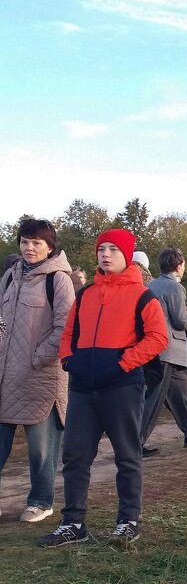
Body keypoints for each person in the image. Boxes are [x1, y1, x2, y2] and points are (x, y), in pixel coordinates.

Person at [37, 229, 168, 547]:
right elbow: (68, 334)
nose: (105, 254)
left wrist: (123, 362)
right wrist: (70, 360)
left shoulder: (142, 296)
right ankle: (73, 523)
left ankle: (127, 521)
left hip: (122, 387)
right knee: (75, 456)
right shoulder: (86, 295)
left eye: (113, 249)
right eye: (101, 249)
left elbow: (158, 338)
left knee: (127, 455)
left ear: (126, 255)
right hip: (82, 388)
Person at [0, 218, 76, 523]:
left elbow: (66, 327)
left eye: (36, 243)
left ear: (50, 246)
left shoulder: (58, 280)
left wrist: (37, 357)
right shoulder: (9, 276)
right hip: (5, 376)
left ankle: (41, 501)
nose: (29, 248)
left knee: (41, 449)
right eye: (24, 241)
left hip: (40, 376)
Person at [140, 248, 187, 456]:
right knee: (153, 400)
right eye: (184, 265)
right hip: (166, 351)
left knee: (183, 389)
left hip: (154, 349)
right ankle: (133, 443)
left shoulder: (151, 285)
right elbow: (180, 321)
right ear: (179, 266)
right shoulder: (175, 287)